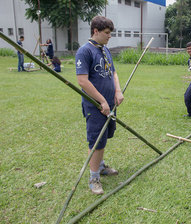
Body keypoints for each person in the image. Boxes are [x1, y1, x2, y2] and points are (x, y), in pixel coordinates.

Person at [75, 16, 124, 195]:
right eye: (106, 33)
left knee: (104, 137)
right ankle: (93, 177)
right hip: (95, 106)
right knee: (96, 140)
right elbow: (82, 81)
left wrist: (117, 91)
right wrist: (102, 101)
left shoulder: (104, 49)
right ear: (95, 31)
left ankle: (101, 167)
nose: (109, 36)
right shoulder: (84, 51)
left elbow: (113, 72)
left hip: (109, 104)